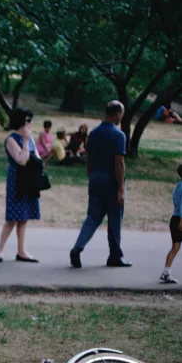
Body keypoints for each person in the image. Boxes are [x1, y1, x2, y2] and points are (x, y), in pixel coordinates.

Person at [70, 101, 131, 268]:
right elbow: (119, 163)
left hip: (95, 177)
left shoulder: (94, 134)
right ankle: (115, 256)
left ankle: (78, 247)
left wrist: (92, 177)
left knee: (93, 217)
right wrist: (120, 189)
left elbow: (88, 159)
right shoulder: (119, 136)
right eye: (122, 113)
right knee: (114, 218)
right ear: (118, 114)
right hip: (110, 180)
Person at [0, 108, 42, 263]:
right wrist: (26, 141)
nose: (31, 123)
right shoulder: (12, 140)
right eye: (28, 120)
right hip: (17, 180)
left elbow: (37, 159)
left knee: (24, 217)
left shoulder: (31, 139)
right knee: (13, 217)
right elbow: (21, 160)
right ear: (21, 122)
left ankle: (21, 251)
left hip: (30, 179)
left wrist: (29, 141)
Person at [160, 164, 182, 284]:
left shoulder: (178, 186)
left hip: (174, 218)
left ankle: (166, 272)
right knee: (175, 247)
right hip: (181, 219)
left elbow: (176, 200)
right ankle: (165, 272)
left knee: (175, 247)